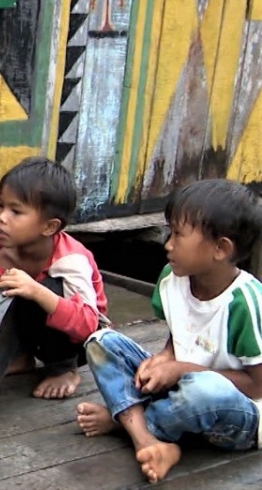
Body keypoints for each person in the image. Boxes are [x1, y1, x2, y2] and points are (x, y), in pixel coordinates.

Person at [76, 179, 262, 484]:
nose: (168, 244)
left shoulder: (246, 301)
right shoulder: (172, 278)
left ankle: (128, 422)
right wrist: (165, 357)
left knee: (203, 391)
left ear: (221, 248)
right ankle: (149, 441)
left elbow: (257, 386)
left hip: (237, 415)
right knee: (102, 342)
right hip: (180, 391)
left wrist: (180, 369)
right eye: (168, 232)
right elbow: (182, 332)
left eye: (178, 234)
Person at [0, 156, 108, 399]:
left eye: (16, 211)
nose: (1, 217)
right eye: (1, 205)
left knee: (50, 288)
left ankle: (64, 369)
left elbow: (87, 325)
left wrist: (37, 291)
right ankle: (19, 356)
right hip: (34, 329)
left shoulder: (71, 261)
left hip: (82, 343)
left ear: (49, 227)